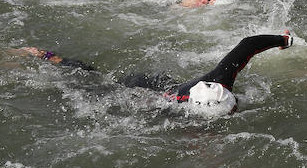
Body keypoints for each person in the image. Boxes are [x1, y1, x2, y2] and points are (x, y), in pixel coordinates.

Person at [18, 31, 291, 117]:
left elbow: (247, 45)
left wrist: (283, 40)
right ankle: (49, 58)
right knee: (94, 81)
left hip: (166, 84)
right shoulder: (173, 112)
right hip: (143, 88)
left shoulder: (221, 80)